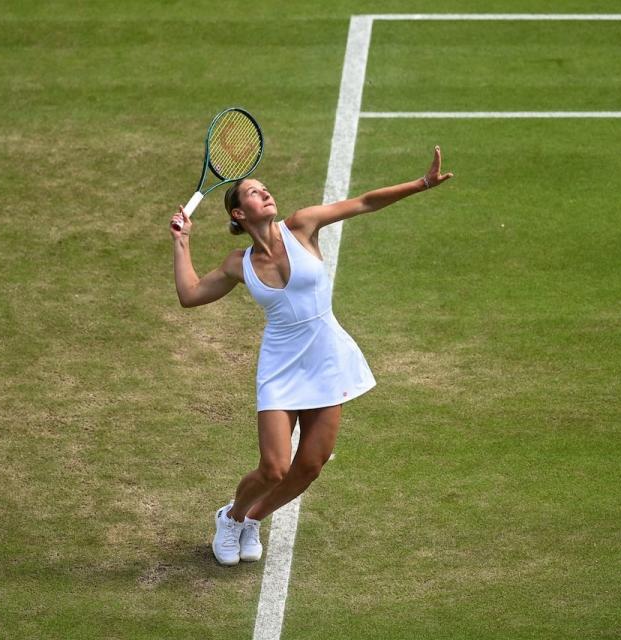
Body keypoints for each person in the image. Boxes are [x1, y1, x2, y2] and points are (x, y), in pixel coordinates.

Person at [170, 146, 454, 566]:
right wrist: (182, 242)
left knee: (311, 465)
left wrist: (422, 183)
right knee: (273, 468)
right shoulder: (238, 263)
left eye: (265, 188)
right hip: (281, 365)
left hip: (326, 356)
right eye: (253, 192)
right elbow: (190, 295)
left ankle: (252, 519)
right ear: (238, 214)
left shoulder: (302, 225)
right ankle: (229, 517)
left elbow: (364, 203)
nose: (265, 193)